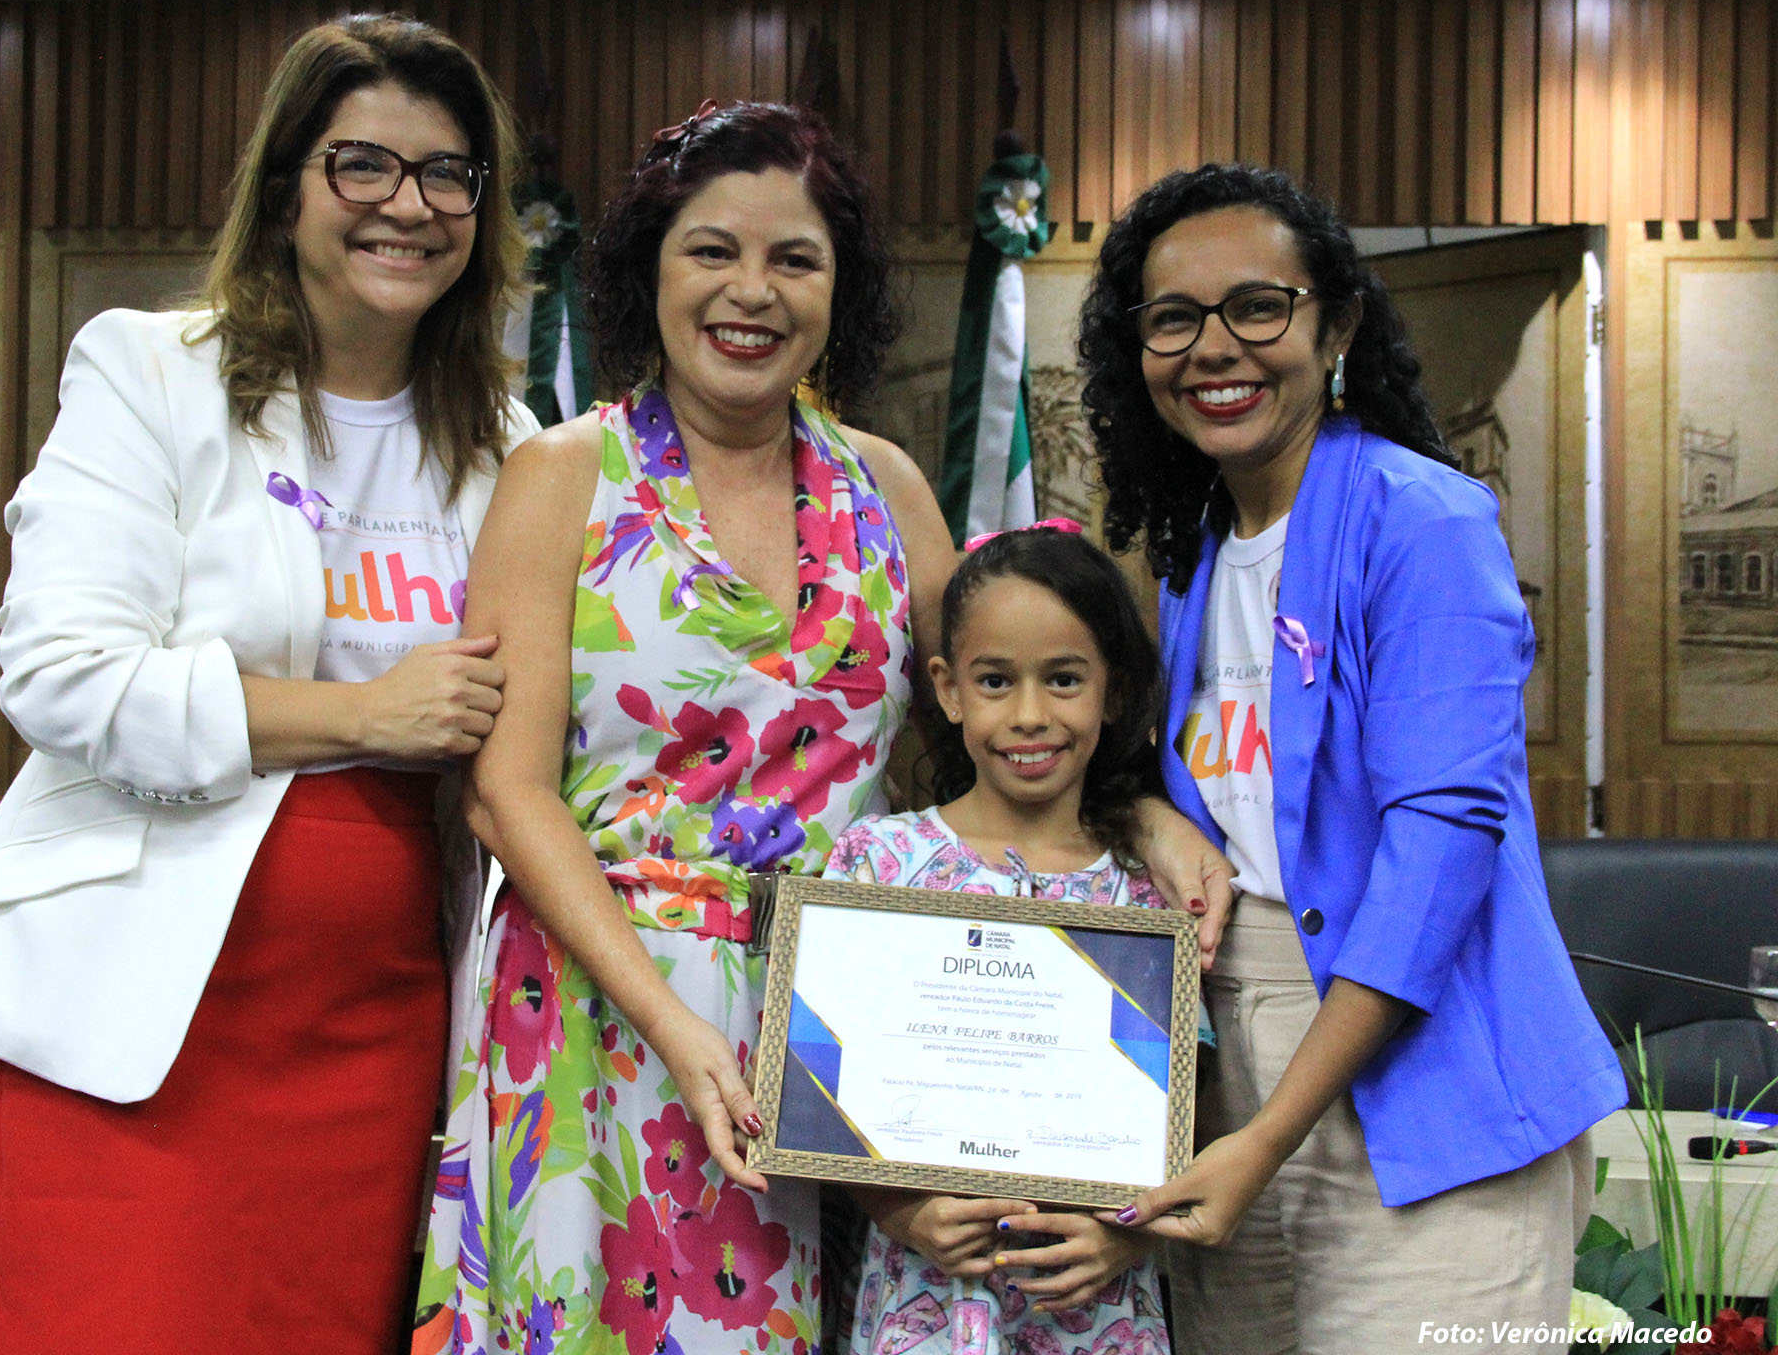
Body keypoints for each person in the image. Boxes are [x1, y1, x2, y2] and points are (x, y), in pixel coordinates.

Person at [0, 13, 538, 1355]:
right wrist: (365, 714)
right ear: (288, 185)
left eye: (448, 174)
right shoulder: (149, 371)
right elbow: (60, 675)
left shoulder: (509, 444)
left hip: (381, 1028)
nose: (408, 205)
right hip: (134, 1023)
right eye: (362, 164)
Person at [412, 97, 951, 1355]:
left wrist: (1137, 814)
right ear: (647, 271)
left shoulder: (885, 484)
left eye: (793, 258)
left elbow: (999, 711)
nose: (750, 291)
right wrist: (677, 1024)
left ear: (839, 289)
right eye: (711, 250)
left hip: (836, 1030)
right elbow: (504, 793)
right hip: (604, 1011)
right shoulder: (564, 473)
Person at [1077, 163, 1625, 1355]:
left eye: (1255, 306)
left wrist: (1268, 1134)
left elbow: (1439, 851)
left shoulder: (1421, 519)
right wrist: (1152, 817)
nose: (1212, 347)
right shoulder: (1190, 552)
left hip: (1425, 1087)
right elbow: (1203, 793)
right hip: (1224, 1068)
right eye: (1172, 318)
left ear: (1334, 327)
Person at [820, 525, 1178, 1355]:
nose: (1029, 715)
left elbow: (1180, 1113)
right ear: (948, 691)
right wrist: (903, 1213)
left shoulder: (1145, 893)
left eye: (1064, 680)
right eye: (994, 681)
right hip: (923, 1304)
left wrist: (1128, 1237)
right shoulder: (878, 865)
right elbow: (821, 1098)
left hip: (1096, 1311)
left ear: (1113, 691)